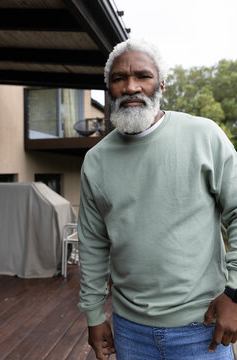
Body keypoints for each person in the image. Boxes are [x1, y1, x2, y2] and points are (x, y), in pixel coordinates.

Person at [77, 38, 237, 360]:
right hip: (129, 331)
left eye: (143, 76)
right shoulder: (95, 161)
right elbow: (93, 244)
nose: (131, 86)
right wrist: (94, 315)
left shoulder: (204, 137)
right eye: (119, 78)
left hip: (202, 327)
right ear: (109, 88)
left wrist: (233, 294)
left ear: (161, 83)